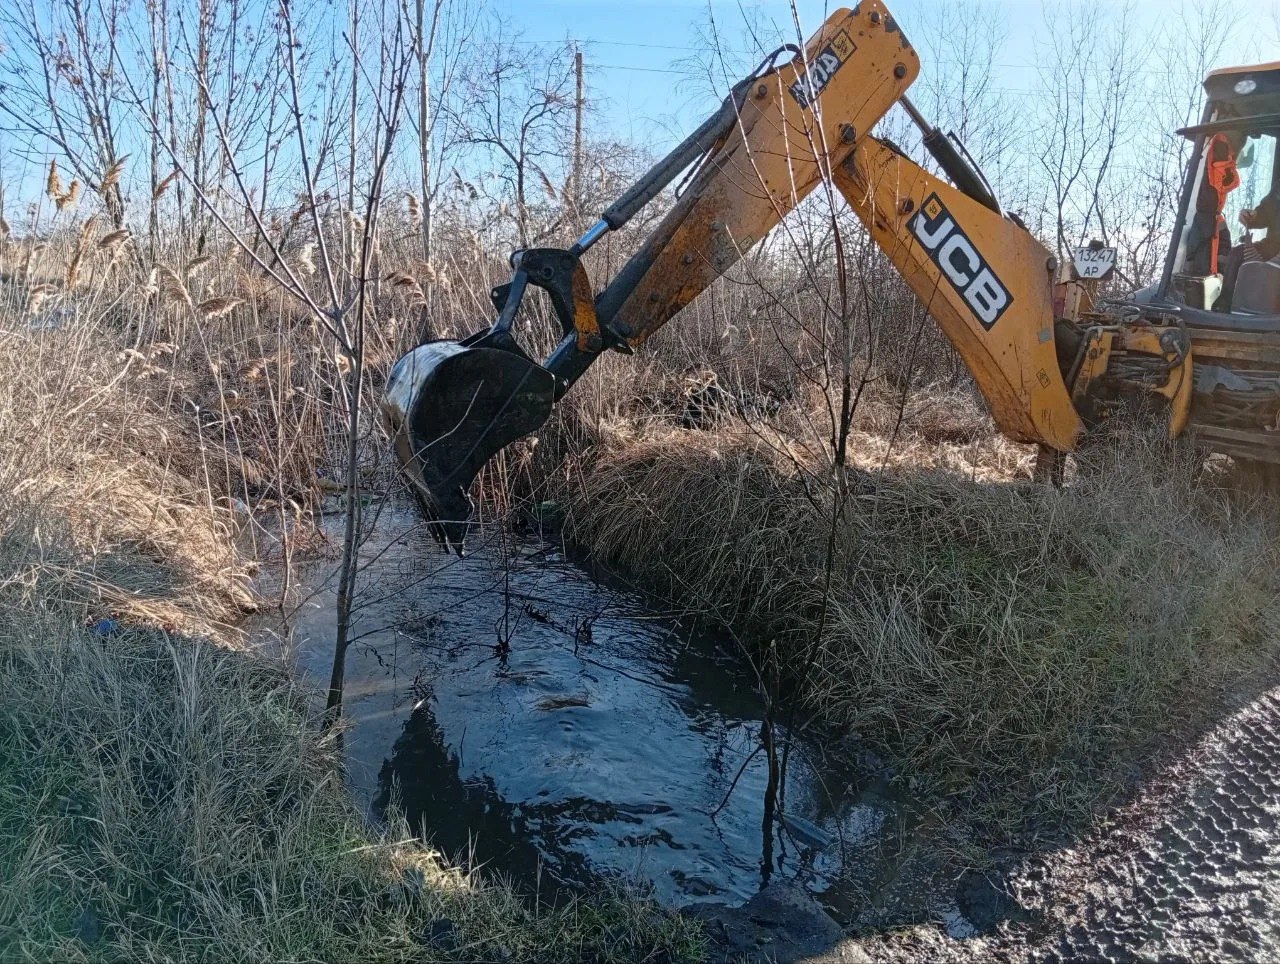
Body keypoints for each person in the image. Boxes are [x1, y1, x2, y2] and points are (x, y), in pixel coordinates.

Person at [1219, 188, 1280, 311]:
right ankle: (1224, 308)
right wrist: (1253, 217)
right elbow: (1267, 210)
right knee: (1238, 253)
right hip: (1273, 246)